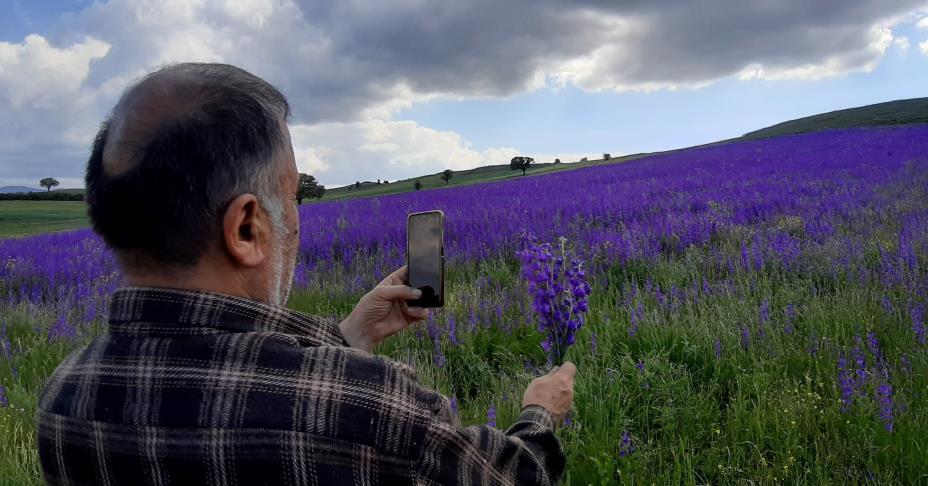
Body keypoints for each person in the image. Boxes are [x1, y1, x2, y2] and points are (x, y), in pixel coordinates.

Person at [37, 63, 576, 485]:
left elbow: (251, 386)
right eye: (290, 197)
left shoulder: (64, 399)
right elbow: (515, 476)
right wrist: (539, 413)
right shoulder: (371, 405)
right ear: (246, 228)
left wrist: (350, 337)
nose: (297, 219)